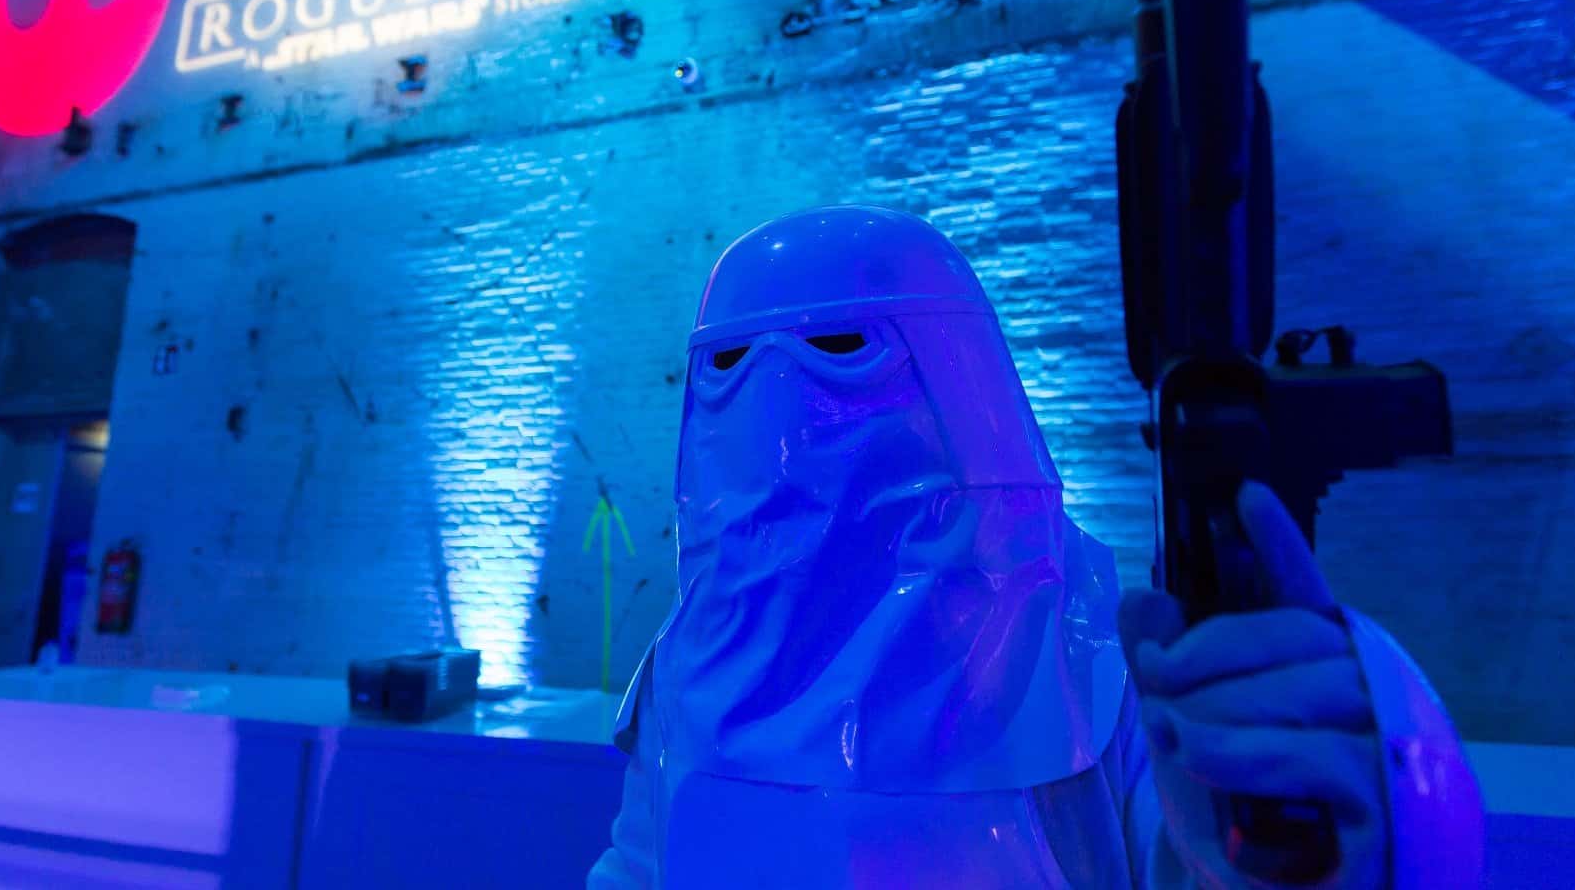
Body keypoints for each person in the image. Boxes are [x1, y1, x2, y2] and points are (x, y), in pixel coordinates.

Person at [587, 206, 1484, 889]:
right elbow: (638, 868)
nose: (778, 418)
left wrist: (1367, 822)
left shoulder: (1097, 661)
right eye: (729, 368)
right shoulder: (688, 670)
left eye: (841, 349)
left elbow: (1210, 856)